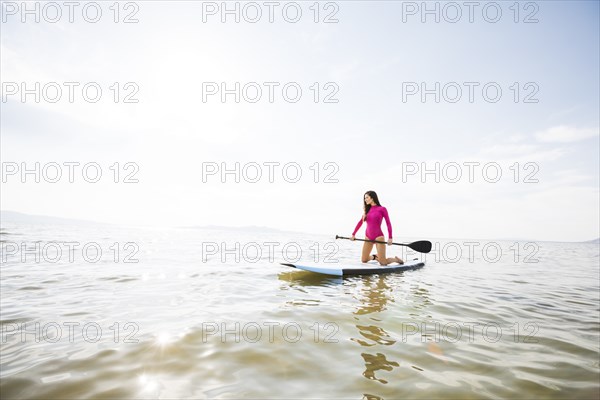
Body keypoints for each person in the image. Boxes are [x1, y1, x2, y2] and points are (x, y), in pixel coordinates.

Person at [351, 191, 404, 266]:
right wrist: (353, 234)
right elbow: (360, 222)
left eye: (367, 198)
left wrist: (390, 237)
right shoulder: (367, 210)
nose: (365, 200)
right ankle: (375, 257)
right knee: (364, 260)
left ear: (372, 198)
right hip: (368, 237)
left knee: (383, 263)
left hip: (378, 237)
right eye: (364, 198)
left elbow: (388, 223)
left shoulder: (382, 209)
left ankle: (395, 259)